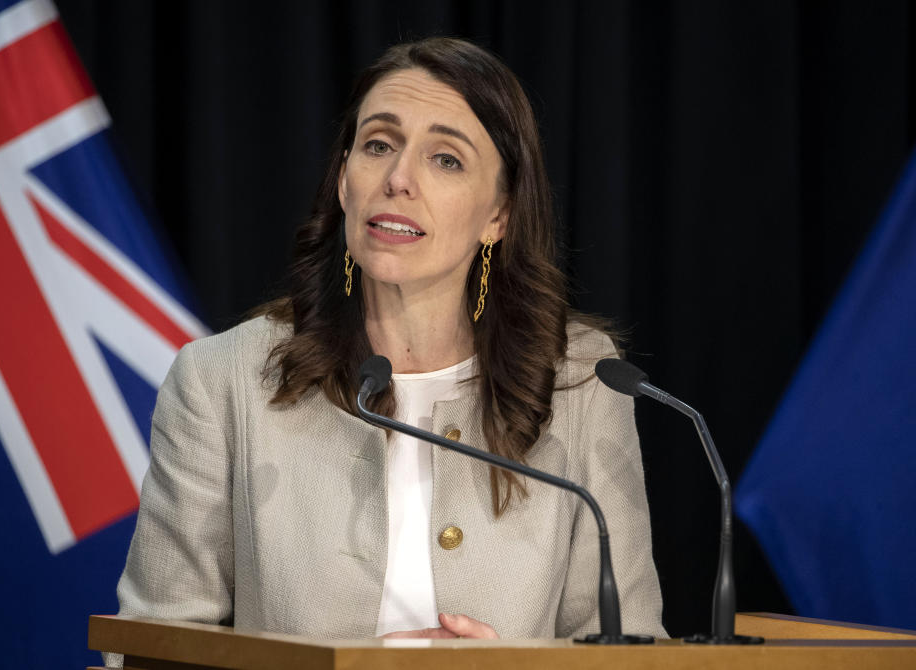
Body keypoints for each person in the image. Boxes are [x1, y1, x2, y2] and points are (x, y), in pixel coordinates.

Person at [111, 37, 665, 644]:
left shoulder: (582, 381)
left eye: (446, 159)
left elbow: (630, 647)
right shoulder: (224, 380)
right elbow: (149, 649)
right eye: (378, 145)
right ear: (345, 181)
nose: (399, 178)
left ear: (498, 216)